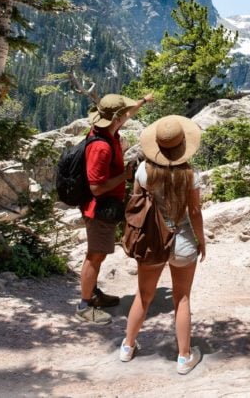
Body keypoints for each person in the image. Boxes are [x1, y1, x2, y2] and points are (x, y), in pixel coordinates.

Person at [119, 115, 206, 375]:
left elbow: (136, 202)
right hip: (183, 239)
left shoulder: (144, 171)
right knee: (182, 298)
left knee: (143, 296)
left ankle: (128, 346)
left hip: (152, 241)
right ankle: (183, 357)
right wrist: (202, 241)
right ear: (182, 146)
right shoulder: (190, 174)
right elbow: (195, 212)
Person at [76, 92, 154, 325]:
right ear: (115, 118)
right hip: (98, 208)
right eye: (122, 114)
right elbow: (96, 187)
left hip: (105, 207)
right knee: (95, 256)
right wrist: (125, 175)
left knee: (98, 254)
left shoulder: (107, 131)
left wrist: (142, 101)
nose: (125, 117)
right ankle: (84, 305)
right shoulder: (102, 147)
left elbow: (126, 114)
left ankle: (92, 294)